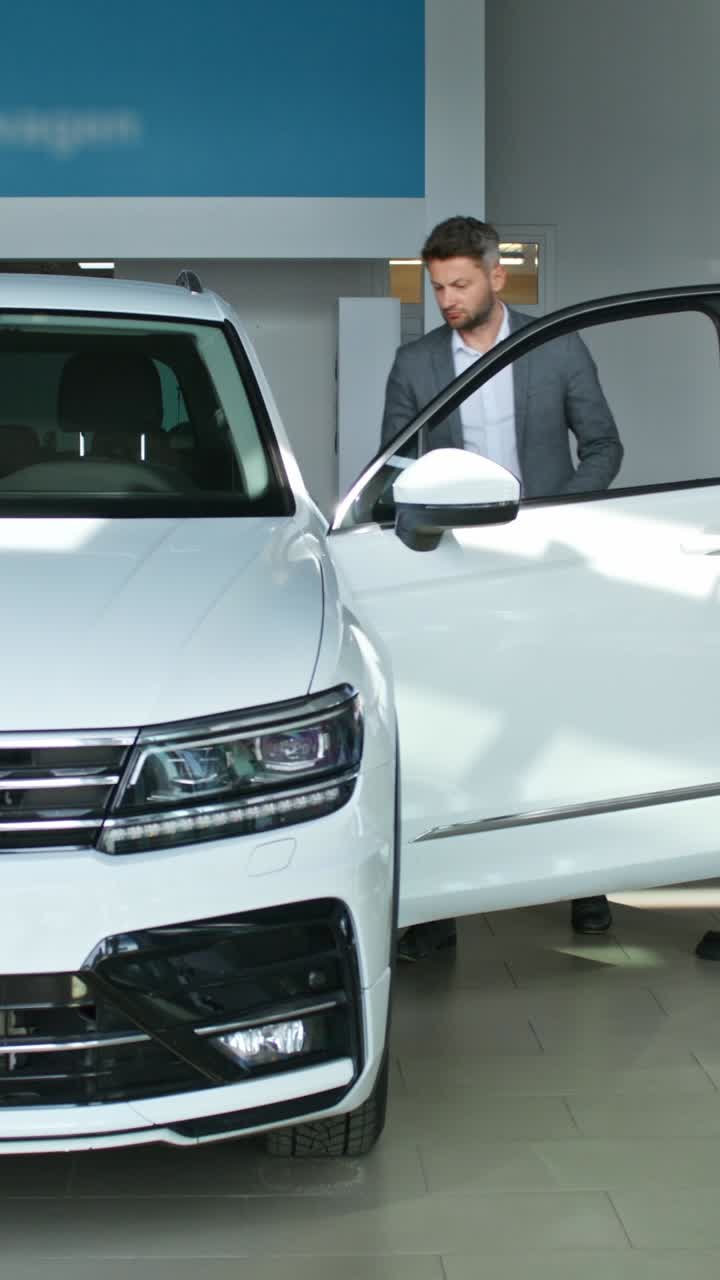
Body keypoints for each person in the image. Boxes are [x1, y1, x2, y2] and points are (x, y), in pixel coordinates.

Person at [382, 215, 623, 960]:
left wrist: (559, 514)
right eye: (438, 287)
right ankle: (438, 906)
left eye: (459, 284)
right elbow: (391, 465)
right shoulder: (416, 362)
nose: (447, 299)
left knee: (560, 719)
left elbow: (605, 445)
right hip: (455, 568)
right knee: (453, 730)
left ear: (497, 277)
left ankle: (587, 885)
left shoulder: (556, 345)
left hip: (548, 560)